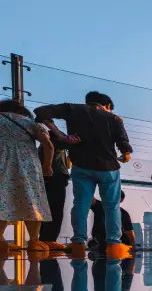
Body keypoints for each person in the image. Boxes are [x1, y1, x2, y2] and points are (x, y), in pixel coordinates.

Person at [35, 92, 133, 259]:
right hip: (108, 167)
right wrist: (125, 155)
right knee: (112, 206)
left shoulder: (72, 109)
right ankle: (114, 245)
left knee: (81, 203)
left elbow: (41, 111)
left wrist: (60, 135)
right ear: (107, 106)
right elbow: (123, 145)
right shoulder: (115, 119)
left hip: (81, 166)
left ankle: (78, 243)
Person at [0, 100, 55, 255]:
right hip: (28, 166)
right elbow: (48, 145)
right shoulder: (31, 123)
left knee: (2, 199)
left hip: (2, 163)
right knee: (33, 200)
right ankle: (33, 241)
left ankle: (0, 240)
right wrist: (47, 166)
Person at [39, 123, 78, 247]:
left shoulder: (44, 147)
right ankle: (49, 240)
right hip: (55, 179)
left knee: (47, 209)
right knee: (55, 210)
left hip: (47, 179)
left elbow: (68, 164)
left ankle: (44, 238)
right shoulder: (53, 144)